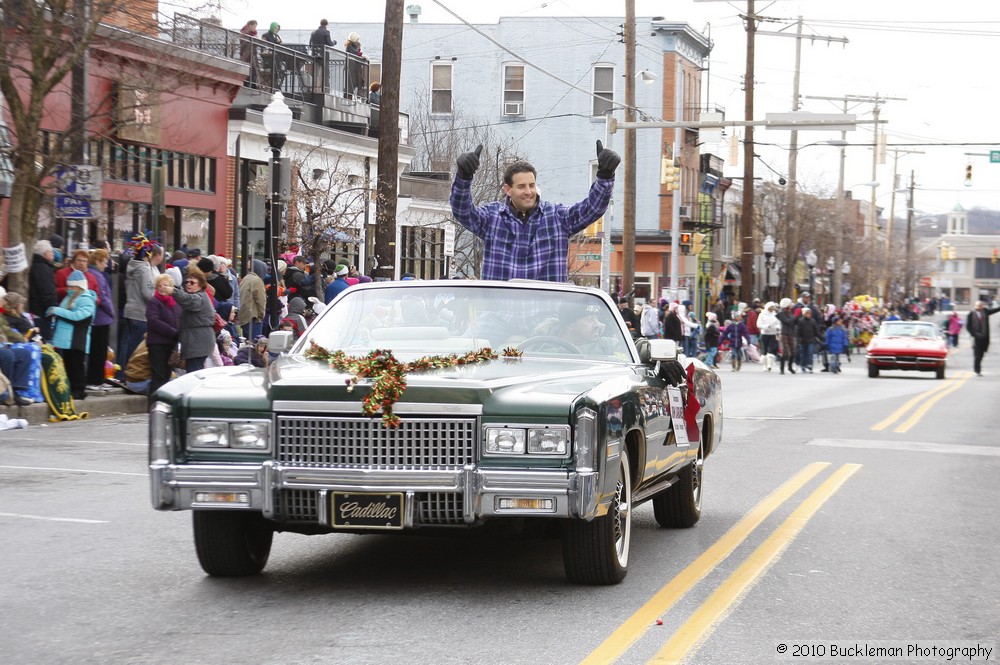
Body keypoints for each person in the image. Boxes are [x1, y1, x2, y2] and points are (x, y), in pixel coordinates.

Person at [450, 141, 619, 282]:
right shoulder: (491, 218)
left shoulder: (557, 217)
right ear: (508, 189)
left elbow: (592, 208)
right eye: (521, 186)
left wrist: (605, 176)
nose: (529, 192)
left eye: (531, 185)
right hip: (499, 314)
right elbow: (462, 211)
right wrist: (464, 177)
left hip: (547, 315)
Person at [48, 270, 97, 401]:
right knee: (69, 365)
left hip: (77, 339)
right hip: (68, 339)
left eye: (72, 286)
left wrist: (58, 311)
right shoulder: (70, 297)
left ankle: (79, 390)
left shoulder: (86, 299)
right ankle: (71, 389)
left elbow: (78, 316)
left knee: (77, 366)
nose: (69, 289)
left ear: (79, 286)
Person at [120, 237, 162, 377]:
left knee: (126, 344)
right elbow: (147, 292)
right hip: (140, 312)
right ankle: (131, 374)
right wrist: (160, 299)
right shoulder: (145, 270)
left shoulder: (135, 266)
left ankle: (122, 374)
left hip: (130, 309)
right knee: (135, 346)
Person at [172, 266, 216, 373]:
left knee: (194, 374)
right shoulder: (197, 296)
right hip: (196, 342)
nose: (188, 284)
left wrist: (173, 291)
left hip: (198, 343)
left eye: (192, 282)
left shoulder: (199, 297)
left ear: (200, 284)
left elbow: (190, 301)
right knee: (195, 373)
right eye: (186, 282)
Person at [146, 273, 181, 400]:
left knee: (167, 374)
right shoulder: (154, 301)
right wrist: (173, 332)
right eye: (160, 286)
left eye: (165, 285)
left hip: (171, 343)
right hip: (157, 343)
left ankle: (163, 402)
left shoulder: (174, 302)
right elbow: (154, 321)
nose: (162, 288)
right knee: (158, 374)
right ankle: (154, 402)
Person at [85, 249, 115, 393]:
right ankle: (95, 380)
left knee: (99, 350)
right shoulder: (97, 275)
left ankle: (97, 379)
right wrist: (111, 310)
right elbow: (103, 297)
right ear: (97, 261)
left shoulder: (94, 274)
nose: (106, 265)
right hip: (101, 318)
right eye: (104, 262)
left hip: (99, 318)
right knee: (99, 350)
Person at [28, 239, 59, 342]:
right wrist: (53, 308)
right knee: (44, 340)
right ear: (45, 253)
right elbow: (47, 291)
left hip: (36, 310)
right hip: (42, 312)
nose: (53, 254)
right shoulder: (43, 269)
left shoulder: (36, 266)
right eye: (51, 251)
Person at [967, 300, 1000, 376]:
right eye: (978, 306)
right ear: (975, 306)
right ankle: (977, 370)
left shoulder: (985, 311)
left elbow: (994, 310)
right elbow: (968, 326)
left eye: (981, 306)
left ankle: (977, 369)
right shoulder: (971, 314)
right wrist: (973, 334)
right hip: (976, 338)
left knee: (981, 354)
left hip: (985, 337)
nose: (980, 307)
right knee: (977, 355)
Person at [238, 259, 267, 342]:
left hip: (244, 317)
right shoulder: (257, 281)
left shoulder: (245, 279)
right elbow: (261, 300)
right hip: (253, 317)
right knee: (255, 344)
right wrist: (261, 315)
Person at [795, 306, 822, 373]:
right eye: (807, 313)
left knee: (810, 353)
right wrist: (798, 340)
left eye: (810, 313)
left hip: (811, 340)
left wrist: (821, 337)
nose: (809, 315)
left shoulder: (812, 321)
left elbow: (816, 331)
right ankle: (803, 366)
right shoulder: (800, 321)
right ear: (804, 314)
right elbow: (798, 331)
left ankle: (810, 365)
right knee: (803, 354)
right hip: (803, 341)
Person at [756, 301, 781, 372]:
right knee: (764, 350)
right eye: (772, 306)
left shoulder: (775, 315)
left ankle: (770, 364)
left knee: (771, 350)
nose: (773, 308)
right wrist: (766, 327)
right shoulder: (762, 315)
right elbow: (758, 324)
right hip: (764, 334)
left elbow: (779, 323)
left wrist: (777, 328)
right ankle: (765, 365)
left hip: (773, 334)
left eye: (774, 307)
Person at [776, 298, 797, 375]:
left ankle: (790, 367)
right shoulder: (781, 314)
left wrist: (797, 317)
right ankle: (782, 368)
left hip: (791, 333)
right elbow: (787, 321)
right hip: (784, 333)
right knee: (784, 352)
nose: (791, 305)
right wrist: (795, 317)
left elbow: (794, 322)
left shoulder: (790, 313)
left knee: (793, 351)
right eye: (790, 304)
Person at [344, 31, 367, 98]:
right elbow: (356, 54)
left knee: (360, 81)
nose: (357, 41)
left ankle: (358, 94)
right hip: (352, 68)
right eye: (357, 39)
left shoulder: (353, 46)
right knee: (352, 83)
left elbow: (357, 53)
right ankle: (350, 96)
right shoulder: (349, 47)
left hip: (355, 68)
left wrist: (359, 49)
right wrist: (361, 54)